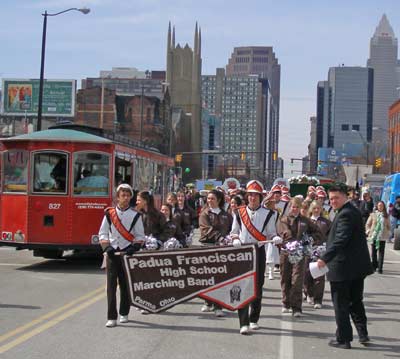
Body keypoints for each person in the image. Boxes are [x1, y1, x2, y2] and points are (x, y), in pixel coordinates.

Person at [317, 185, 374, 349]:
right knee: (356, 301)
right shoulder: (350, 210)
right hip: (355, 268)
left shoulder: (346, 214)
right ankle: (363, 334)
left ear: (345, 197)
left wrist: (324, 258)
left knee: (341, 304)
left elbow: (340, 240)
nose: (333, 201)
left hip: (343, 268)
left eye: (336, 198)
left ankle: (344, 338)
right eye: (331, 198)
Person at [230, 180, 282, 335]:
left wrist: (275, 238)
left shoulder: (270, 214)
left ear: (260, 197)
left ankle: (254, 319)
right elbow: (234, 231)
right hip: (243, 252)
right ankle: (243, 322)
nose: (252, 198)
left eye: (255, 195)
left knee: (257, 286)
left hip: (258, 252)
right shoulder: (239, 212)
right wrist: (235, 239)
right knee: (242, 286)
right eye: (250, 195)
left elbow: (271, 232)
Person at [98, 184, 145, 328]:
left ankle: (124, 313)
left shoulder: (136, 215)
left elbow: (140, 236)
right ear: (117, 197)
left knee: (125, 285)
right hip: (113, 254)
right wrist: (107, 247)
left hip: (126, 254)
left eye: (127, 195)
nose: (125, 198)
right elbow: (102, 233)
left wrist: (134, 247)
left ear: (131, 197)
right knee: (111, 286)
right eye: (122, 195)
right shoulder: (109, 213)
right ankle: (111, 317)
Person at [278, 197, 322, 317]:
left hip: (300, 254)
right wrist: (290, 240)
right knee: (285, 278)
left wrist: (309, 240)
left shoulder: (306, 220)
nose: (295, 209)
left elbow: (318, 232)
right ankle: (286, 303)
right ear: (290, 208)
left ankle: (296, 308)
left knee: (297, 280)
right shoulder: (284, 219)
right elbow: (283, 232)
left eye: (297, 207)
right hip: (286, 252)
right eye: (293, 207)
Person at [199, 189, 233, 318]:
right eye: (208, 198)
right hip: (208, 247)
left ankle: (218, 306)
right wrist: (219, 238)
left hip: (222, 249)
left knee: (220, 277)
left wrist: (230, 239)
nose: (209, 201)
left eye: (212, 198)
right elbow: (206, 229)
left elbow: (231, 229)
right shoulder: (204, 214)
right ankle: (207, 302)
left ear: (219, 200)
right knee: (208, 276)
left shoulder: (227, 215)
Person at [304, 200, 331, 309]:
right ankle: (308, 294)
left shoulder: (326, 222)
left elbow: (330, 236)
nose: (316, 210)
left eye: (318, 208)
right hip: (308, 250)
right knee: (307, 274)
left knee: (319, 275)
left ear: (321, 209)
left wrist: (327, 247)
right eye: (314, 208)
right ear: (311, 209)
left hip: (321, 251)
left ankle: (318, 300)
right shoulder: (306, 221)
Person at [365, 201, 390, 274]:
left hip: (382, 236)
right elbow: (368, 224)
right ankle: (374, 266)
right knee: (374, 252)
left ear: (384, 207)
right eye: (379, 205)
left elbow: (389, 226)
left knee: (381, 252)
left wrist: (387, 231)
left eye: (381, 205)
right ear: (377, 206)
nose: (380, 207)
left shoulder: (386, 215)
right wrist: (368, 231)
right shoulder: (373, 215)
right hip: (374, 236)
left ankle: (380, 268)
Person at [263, 191, 280, 280]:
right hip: (263, 234)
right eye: (272, 201)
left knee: (271, 254)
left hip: (272, 234)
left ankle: (271, 272)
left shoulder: (276, 212)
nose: (274, 203)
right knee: (264, 253)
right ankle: (263, 271)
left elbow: (277, 223)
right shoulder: (262, 210)